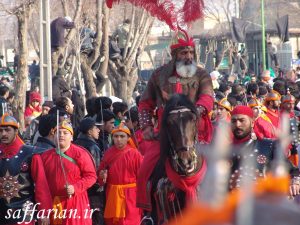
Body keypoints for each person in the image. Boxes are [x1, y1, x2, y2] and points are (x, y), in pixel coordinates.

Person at [138, 28, 214, 143]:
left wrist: (194, 112)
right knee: (149, 161)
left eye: (191, 52)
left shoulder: (201, 74)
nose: (189, 56)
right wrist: (146, 126)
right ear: (174, 55)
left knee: (214, 160)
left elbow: (207, 98)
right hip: (167, 133)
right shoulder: (159, 75)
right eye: (184, 53)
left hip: (196, 132)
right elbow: (145, 103)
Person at [229, 105, 300, 196]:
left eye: (242, 120)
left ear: (252, 123)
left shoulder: (268, 146)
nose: (237, 125)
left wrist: (295, 183)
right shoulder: (224, 151)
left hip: (264, 204)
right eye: (233, 121)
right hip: (232, 206)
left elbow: (292, 172)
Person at [40, 120, 97, 225]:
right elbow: (41, 185)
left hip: (76, 203)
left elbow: (91, 176)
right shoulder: (45, 156)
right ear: (53, 136)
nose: (61, 135)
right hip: (53, 203)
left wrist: (75, 188)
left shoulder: (81, 154)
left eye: (65, 133)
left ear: (71, 137)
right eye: (58, 133)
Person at [0, 113, 51, 225]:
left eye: (7, 130)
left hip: (24, 213)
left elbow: (41, 186)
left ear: (16, 131)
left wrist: (44, 213)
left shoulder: (30, 154)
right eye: (0, 131)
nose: (3, 134)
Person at [98, 123, 143, 225]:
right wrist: (102, 176)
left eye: (122, 136)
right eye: (116, 136)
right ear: (112, 138)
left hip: (131, 197)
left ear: (128, 138)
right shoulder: (108, 153)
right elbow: (100, 176)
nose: (118, 139)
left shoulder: (135, 154)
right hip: (112, 195)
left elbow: (142, 178)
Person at [74, 117, 102, 225]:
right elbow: (96, 171)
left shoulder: (74, 144)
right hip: (92, 191)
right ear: (90, 131)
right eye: (96, 128)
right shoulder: (93, 147)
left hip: (78, 188)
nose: (99, 130)